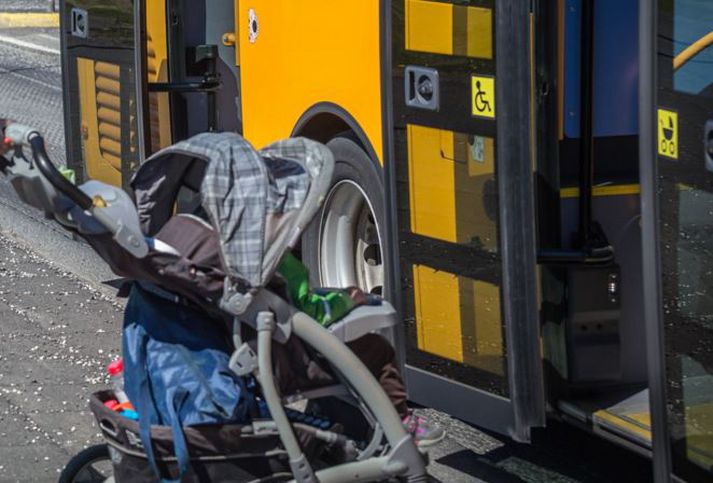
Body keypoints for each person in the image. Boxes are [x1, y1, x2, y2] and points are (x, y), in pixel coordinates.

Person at [271, 251, 445, 447]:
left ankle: (325, 412)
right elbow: (313, 312)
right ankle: (399, 423)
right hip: (292, 365)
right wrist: (348, 299)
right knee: (377, 349)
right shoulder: (278, 261)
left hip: (267, 359)